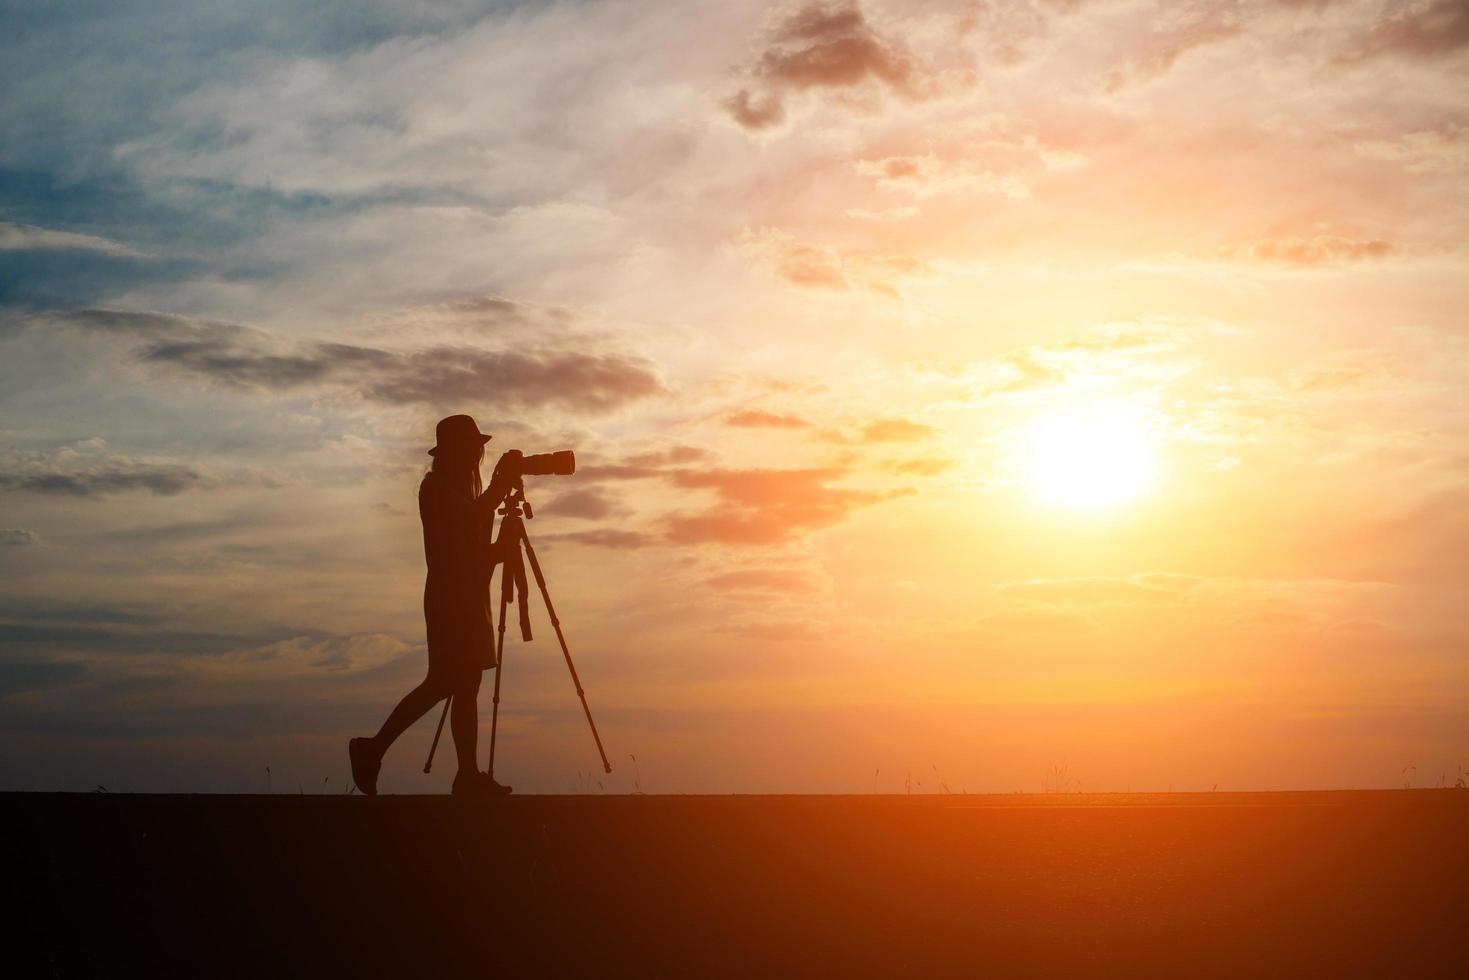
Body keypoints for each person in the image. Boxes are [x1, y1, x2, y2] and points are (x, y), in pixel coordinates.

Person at [349, 414, 514, 797]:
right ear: (458, 451)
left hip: (465, 595)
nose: (478, 454)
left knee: (457, 683)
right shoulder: (436, 488)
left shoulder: (458, 491)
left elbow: (471, 550)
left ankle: (458, 772)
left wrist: (499, 551)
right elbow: (467, 526)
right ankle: (377, 750)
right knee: (448, 682)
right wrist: (499, 488)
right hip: (449, 600)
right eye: (473, 447)